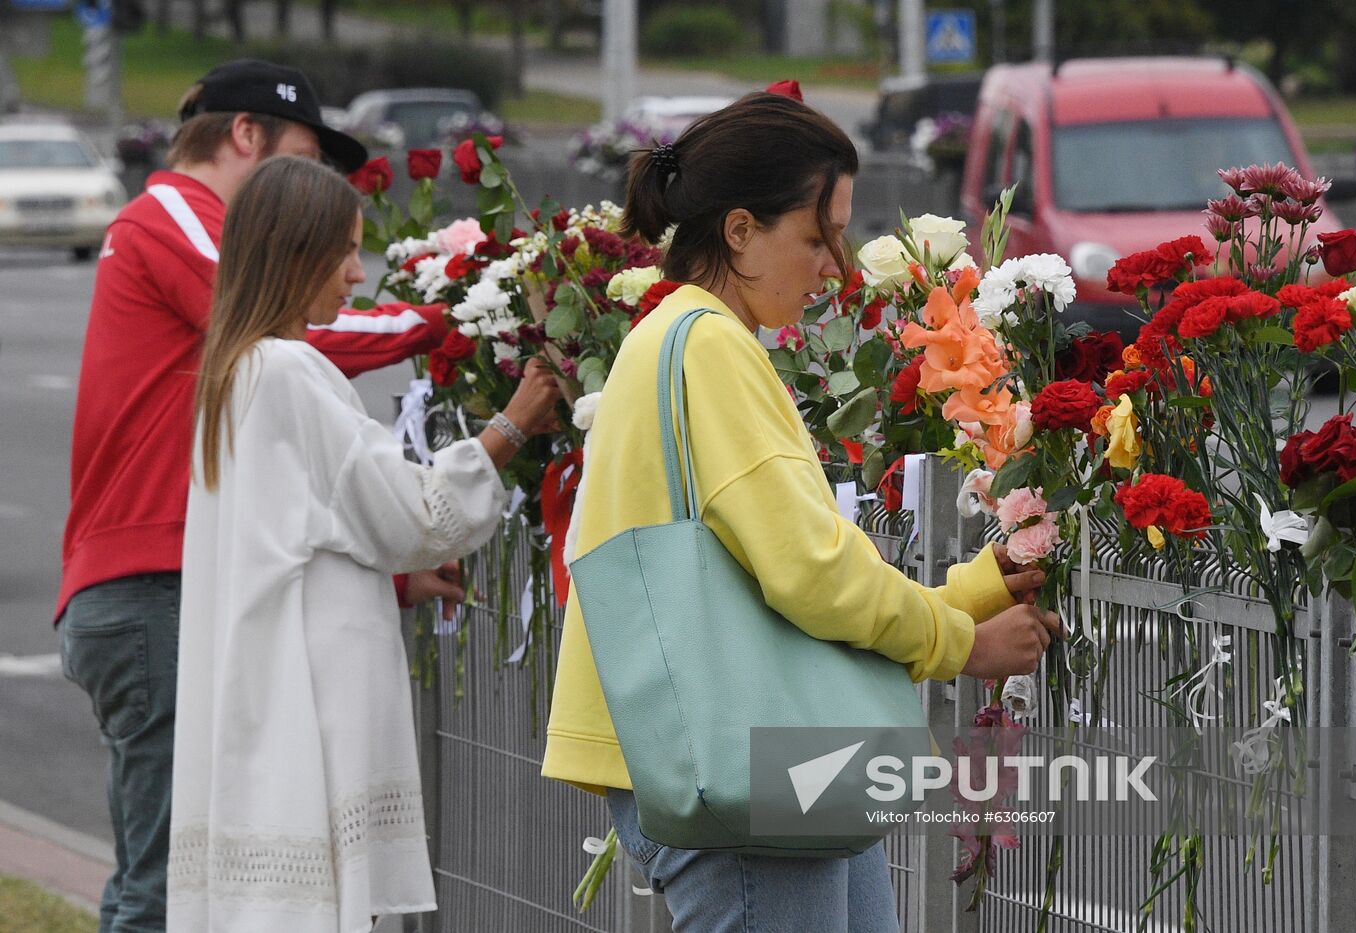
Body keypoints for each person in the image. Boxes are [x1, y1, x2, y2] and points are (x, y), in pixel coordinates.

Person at [541, 92, 1059, 931]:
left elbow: (777, 576)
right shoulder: (709, 345)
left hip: (753, 749)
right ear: (739, 229)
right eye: (817, 236)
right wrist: (962, 640)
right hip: (748, 757)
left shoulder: (671, 336)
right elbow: (808, 571)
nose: (838, 266)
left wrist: (967, 592)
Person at [56, 60, 461, 933]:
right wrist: (461, 316)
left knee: (185, 877)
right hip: (152, 581)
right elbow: (295, 324)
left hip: (167, 574)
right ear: (246, 136)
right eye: (305, 157)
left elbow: (287, 492)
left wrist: (388, 577)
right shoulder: (172, 215)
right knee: (167, 890)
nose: (306, 189)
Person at [167, 155, 560, 931]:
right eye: (344, 251)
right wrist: (509, 427)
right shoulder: (288, 370)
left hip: (261, 667)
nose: (356, 272)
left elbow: (298, 533)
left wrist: (393, 583)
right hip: (304, 687)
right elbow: (409, 514)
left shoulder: (232, 369)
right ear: (295, 251)